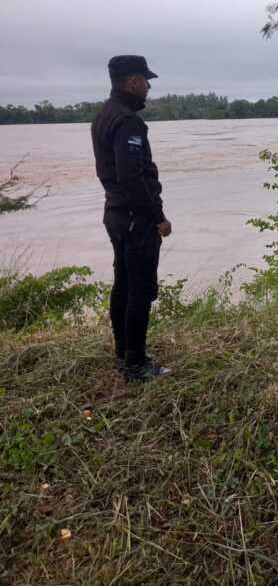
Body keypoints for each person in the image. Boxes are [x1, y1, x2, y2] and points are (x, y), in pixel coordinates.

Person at [91, 55, 172, 382]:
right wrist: (158, 217)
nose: (149, 87)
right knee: (139, 289)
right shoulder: (127, 120)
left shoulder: (103, 115)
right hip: (136, 217)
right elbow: (131, 176)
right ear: (133, 81)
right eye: (146, 80)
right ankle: (136, 363)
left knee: (124, 285)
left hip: (115, 213)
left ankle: (124, 353)